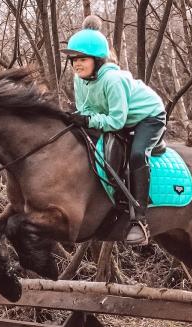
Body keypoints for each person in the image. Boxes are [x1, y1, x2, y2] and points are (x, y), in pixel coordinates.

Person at [61, 15, 166, 246]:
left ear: (97, 60)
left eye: (82, 59)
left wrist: (89, 119)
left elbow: (117, 121)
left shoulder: (113, 80)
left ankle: (140, 220)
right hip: (119, 119)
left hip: (148, 117)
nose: (76, 64)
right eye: (73, 60)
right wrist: (81, 119)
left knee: (138, 154)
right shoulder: (80, 80)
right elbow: (86, 111)